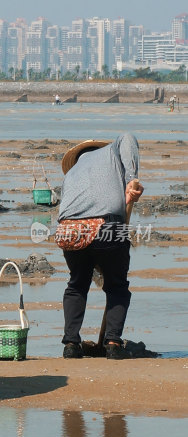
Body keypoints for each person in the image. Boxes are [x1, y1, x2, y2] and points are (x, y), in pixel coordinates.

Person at [55, 134, 144, 360]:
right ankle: (113, 343)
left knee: (77, 284)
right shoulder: (112, 152)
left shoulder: (71, 175)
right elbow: (127, 137)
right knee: (117, 286)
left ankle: (71, 345)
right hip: (107, 226)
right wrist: (132, 179)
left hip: (68, 230)